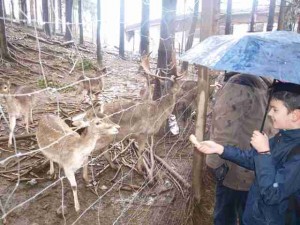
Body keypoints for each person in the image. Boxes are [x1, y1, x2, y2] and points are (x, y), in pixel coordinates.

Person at [192, 81, 300, 225]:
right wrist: (220, 149)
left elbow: (272, 194)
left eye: (275, 109)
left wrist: (264, 152)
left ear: (295, 115)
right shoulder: (283, 136)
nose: (269, 113)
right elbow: (252, 159)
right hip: (257, 215)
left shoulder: (297, 153)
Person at [206, 73, 275, 225]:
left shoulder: (240, 83)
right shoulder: (267, 85)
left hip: (235, 170)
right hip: (259, 169)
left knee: (225, 217)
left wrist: (214, 165)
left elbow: (223, 129)